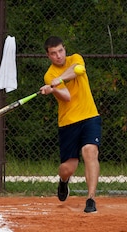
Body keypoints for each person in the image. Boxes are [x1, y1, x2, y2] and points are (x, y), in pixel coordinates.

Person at [40, 36, 101, 213]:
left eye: (60, 51)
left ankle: (91, 199)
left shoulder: (76, 59)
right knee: (68, 168)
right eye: (53, 53)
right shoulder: (49, 75)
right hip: (68, 123)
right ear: (48, 56)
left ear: (64, 49)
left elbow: (76, 70)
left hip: (90, 116)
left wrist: (58, 81)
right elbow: (66, 96)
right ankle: (64, 180)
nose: (58, 56)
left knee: (90, 151)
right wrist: (52, 89)